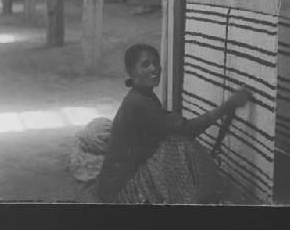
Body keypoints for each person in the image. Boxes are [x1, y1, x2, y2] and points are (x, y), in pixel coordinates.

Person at [96, 43, 252, 204]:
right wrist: (230, 104)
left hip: (114, 184)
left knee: (171, 142)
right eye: (145, 64)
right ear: (132, 72)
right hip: (120, 190)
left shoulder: (141, 96)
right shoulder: (139, 102)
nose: (154, 68)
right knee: (177, 145)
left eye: (156, 62)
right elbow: (188, 129)